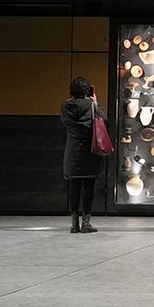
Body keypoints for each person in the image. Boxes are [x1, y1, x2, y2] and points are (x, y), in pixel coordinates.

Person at [60, 75, 105, 234]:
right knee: (88, 187)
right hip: (90, 149)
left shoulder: (66, 106)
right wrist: (95, 102)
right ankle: (86, 223)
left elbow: (68, 124)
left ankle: (74, 224)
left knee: (74, 186)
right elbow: (103, 119)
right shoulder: (92, 105)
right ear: (88, 90)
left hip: (72, 151)